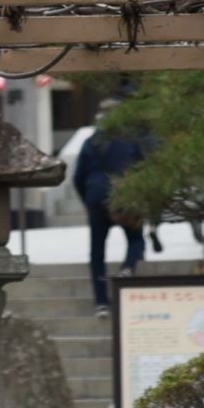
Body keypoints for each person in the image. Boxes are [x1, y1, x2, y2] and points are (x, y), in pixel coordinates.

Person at [74, 123, 151, 311]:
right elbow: (144, 169)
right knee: (135, 238)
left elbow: (77, 177)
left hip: (96, 197)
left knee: (97, 252)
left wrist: (86, 201)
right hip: (123, 195)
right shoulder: (130, 142)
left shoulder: (90, 142)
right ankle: (127, 269)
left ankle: (101, 302)